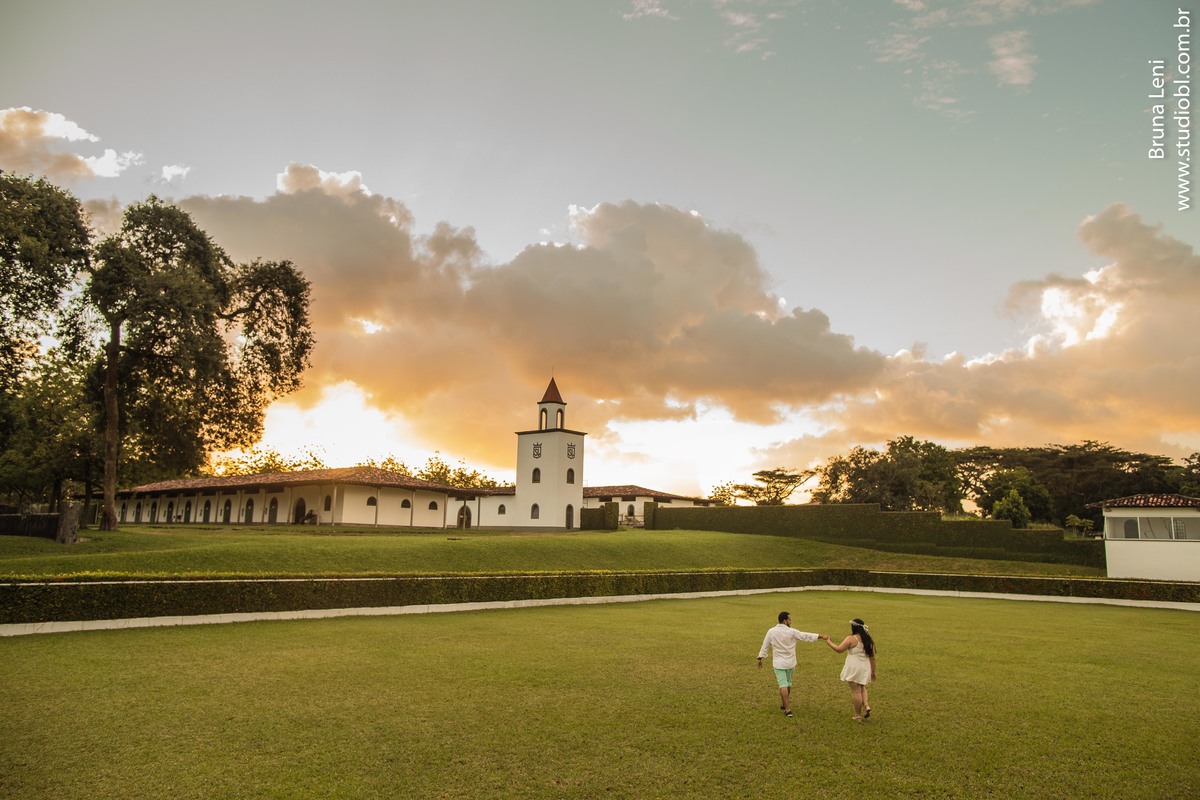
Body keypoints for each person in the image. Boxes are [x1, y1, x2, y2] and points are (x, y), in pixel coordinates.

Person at [756, 611, 829, 717]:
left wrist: (760, 658)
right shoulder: (792, 632)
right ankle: (786, 706)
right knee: (788, 684)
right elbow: (805, 636)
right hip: (790, 663)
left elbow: (765, 645)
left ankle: (787, 708)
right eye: (789, 619)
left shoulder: (771, 631)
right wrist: (820, 636)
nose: (791, 621)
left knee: (783, 684)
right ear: (785, 621)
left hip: (779, 663)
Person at [826, 618, 877, 721]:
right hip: (865, 667)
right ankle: (866, 705)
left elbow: (839, 649)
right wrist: (873, 672)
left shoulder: (851, 638)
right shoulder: (868, 640)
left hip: (854, 667)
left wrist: (829, 642)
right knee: (862, 687)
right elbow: (873, 657)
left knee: (856, 691)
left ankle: (858, 715)